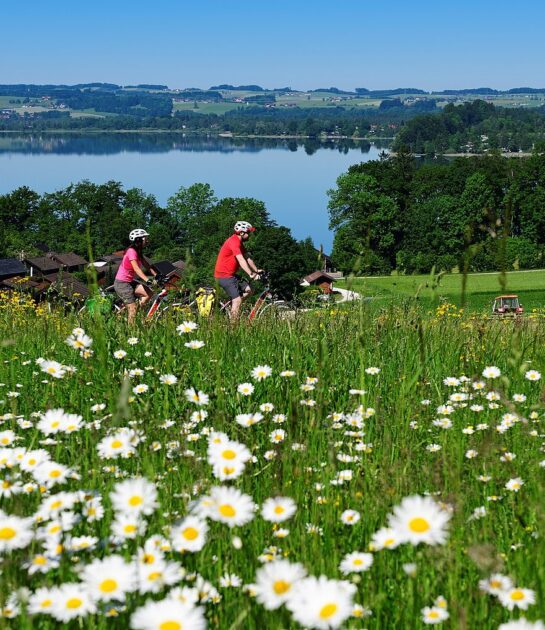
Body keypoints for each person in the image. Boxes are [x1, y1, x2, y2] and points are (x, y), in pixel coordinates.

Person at [214, 221, 263, 320]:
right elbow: (241, 259)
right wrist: (251, 274)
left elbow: (247, 258)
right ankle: (233, 328)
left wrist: (256, 270)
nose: (249, 235)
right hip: (224, 276)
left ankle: (232, 307)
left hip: (231, 275)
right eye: (248, 232)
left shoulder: (239, 243)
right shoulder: (234, 242)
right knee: (237, 300)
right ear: (241, 233)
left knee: (250, 289)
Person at [114, 228, 156, 324]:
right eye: (145, 238)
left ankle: (135, 314)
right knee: (132, 308)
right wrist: (147, 280)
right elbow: (136, 268)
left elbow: (147, 265)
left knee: (149, 293)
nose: (147, 240)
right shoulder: (131, 251)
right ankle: (131, 331)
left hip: (129, 282)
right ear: (139, 239)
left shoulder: (138, 251)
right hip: (122, 284)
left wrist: (157, 275)